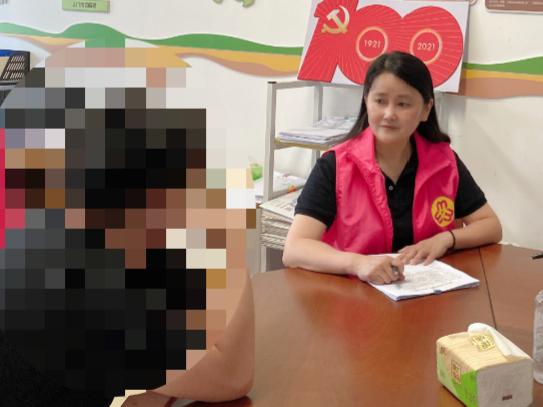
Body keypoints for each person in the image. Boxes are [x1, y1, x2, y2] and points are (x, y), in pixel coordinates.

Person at [283, 51, 502, 285]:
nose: (389, 114)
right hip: (351, 293)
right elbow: (295, 249)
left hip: (424, 294)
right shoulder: (335, 165)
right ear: (366, 101)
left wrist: (445, 239)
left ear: (426, 109)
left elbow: (491, 226)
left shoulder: (444, 162)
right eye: (380, 101)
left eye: (403, 104)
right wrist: (357, 263)